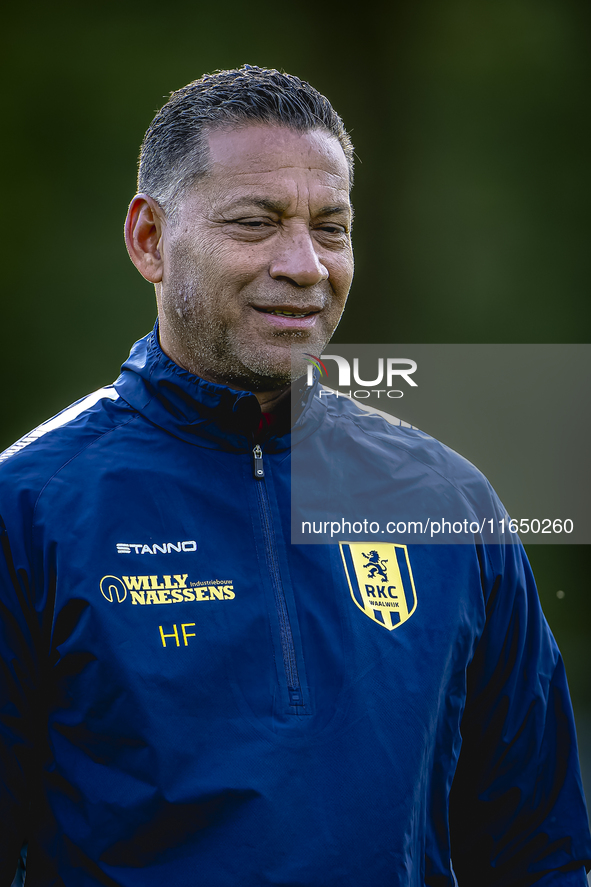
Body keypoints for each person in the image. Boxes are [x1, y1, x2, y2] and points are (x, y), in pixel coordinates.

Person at [0, 65, 589, 886]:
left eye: (332, 228)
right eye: (256, 222)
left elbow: (542, 852)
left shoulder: (449, 501)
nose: (305, 264)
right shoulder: (29, 506)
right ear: (148, 240)